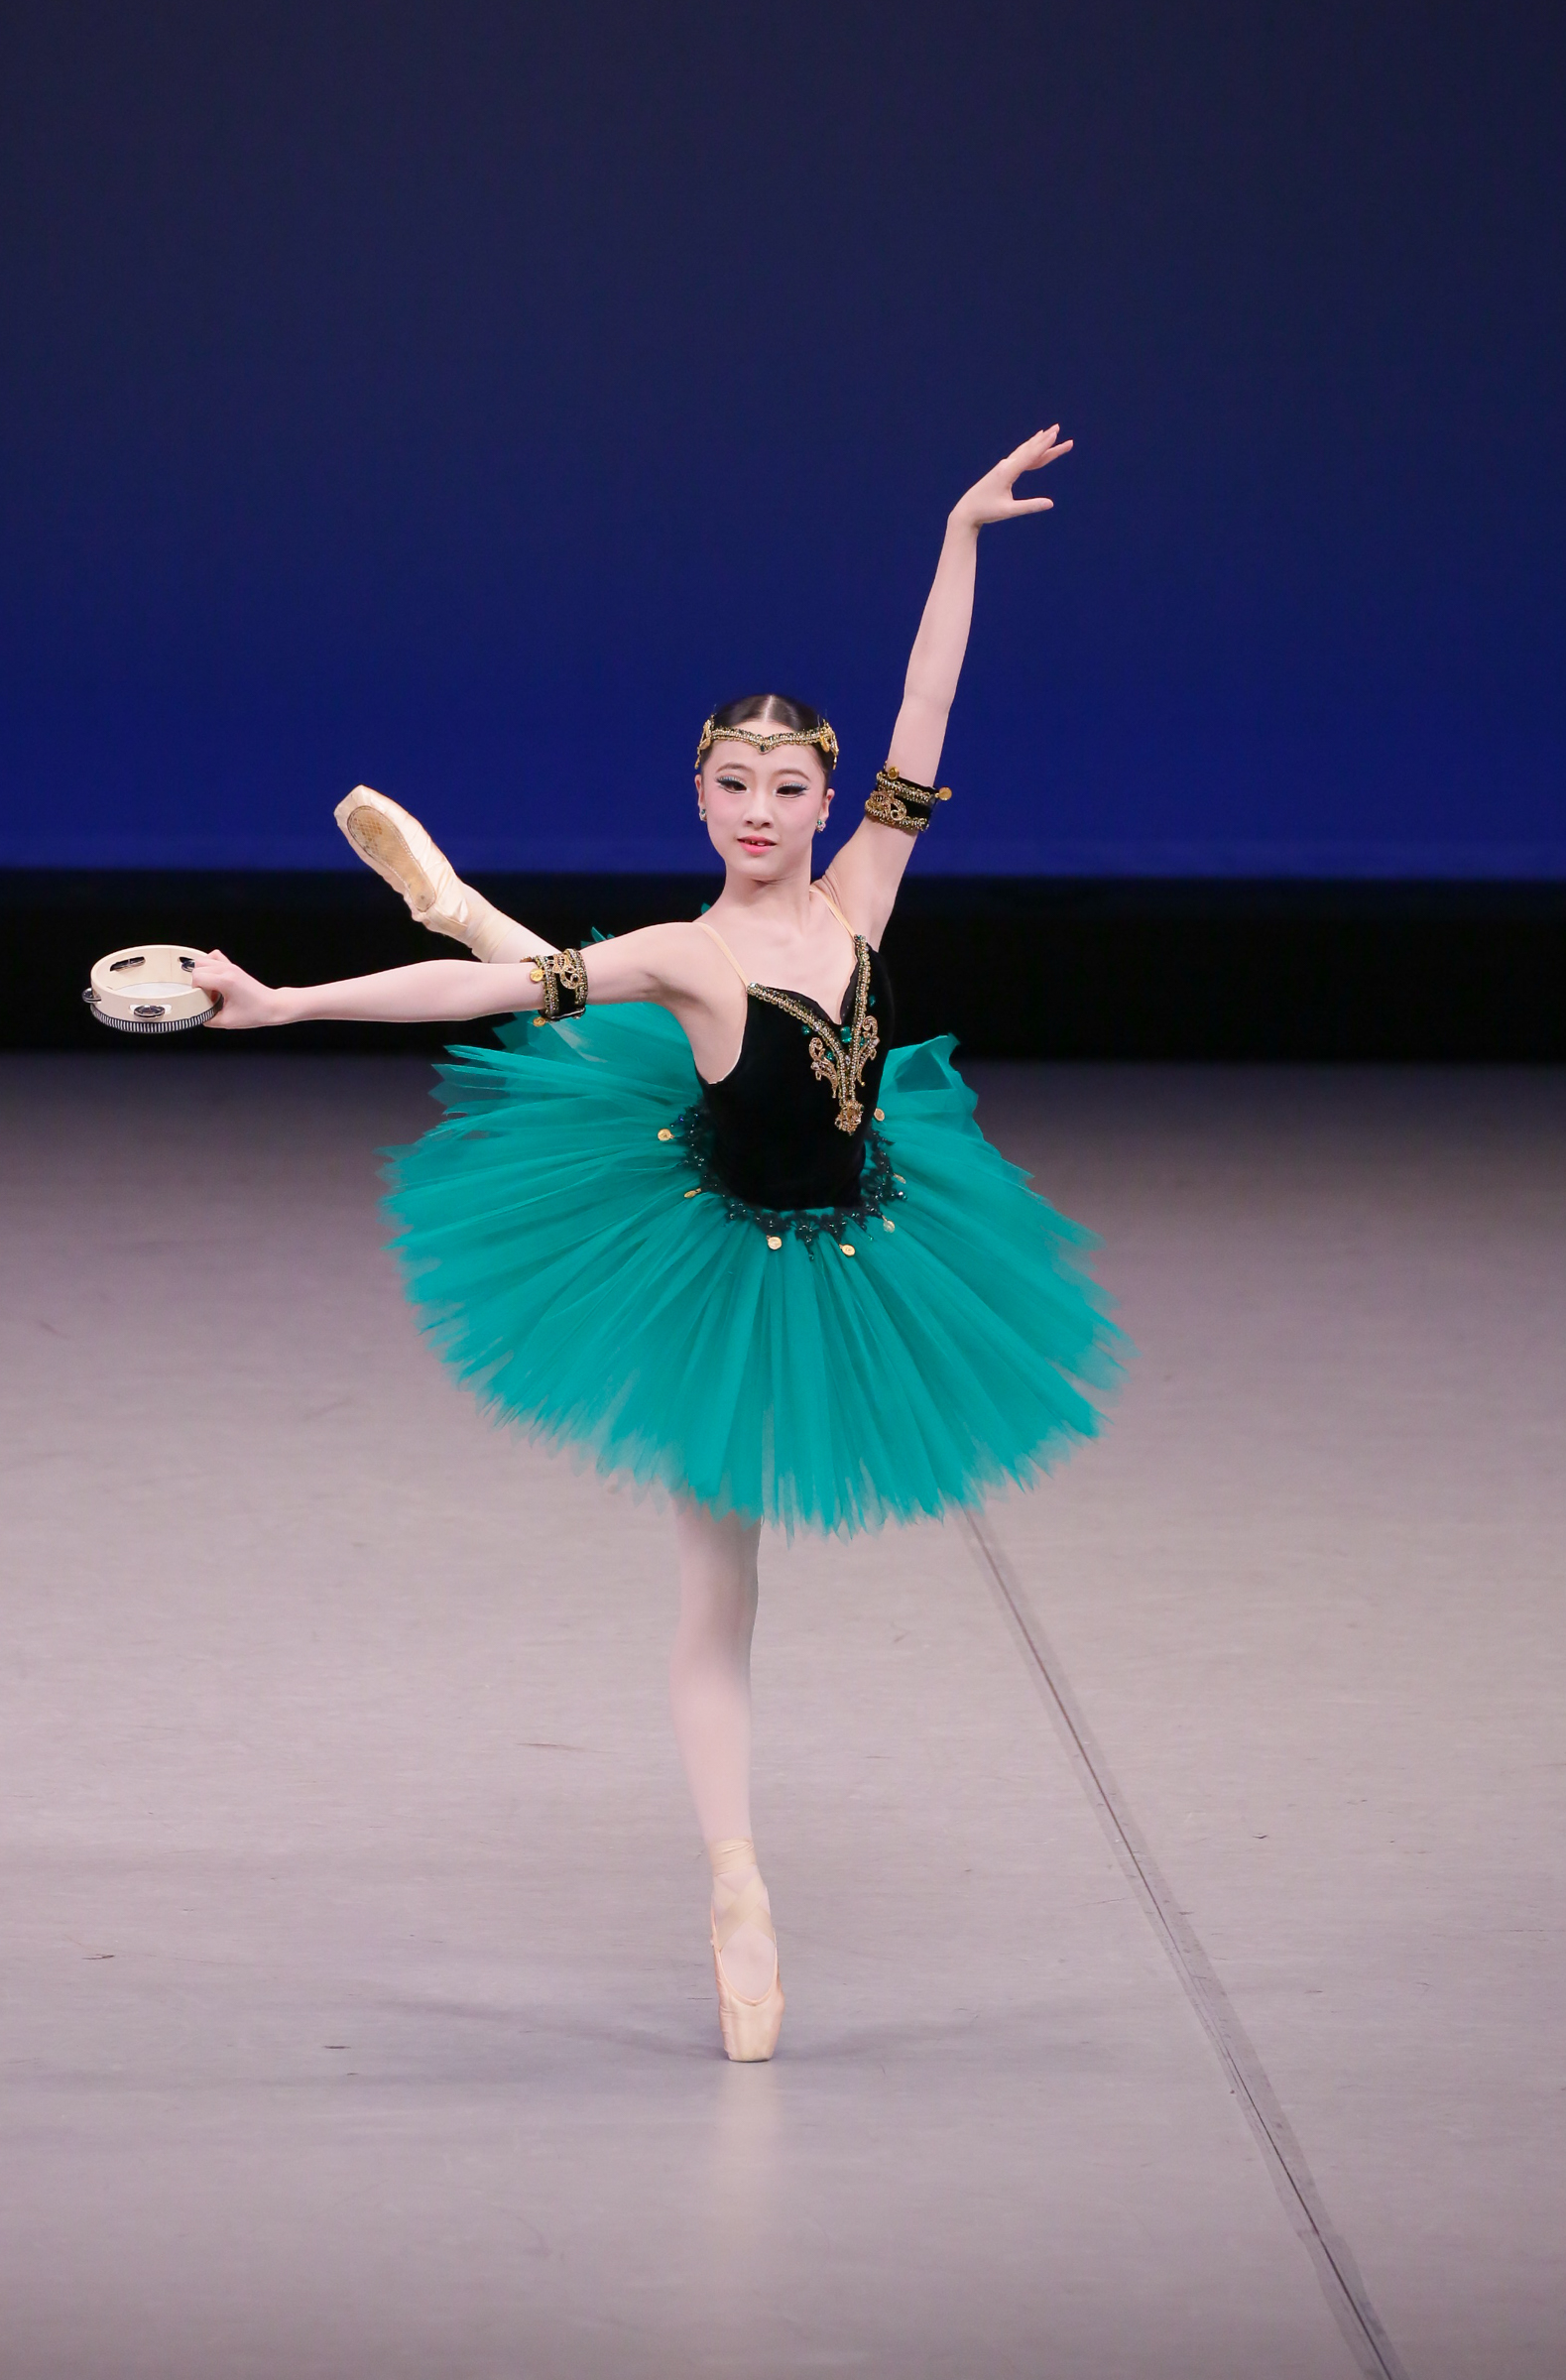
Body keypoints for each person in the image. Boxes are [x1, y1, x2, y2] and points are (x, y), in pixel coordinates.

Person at [193, 426, 1124, 2062]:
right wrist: (283, 1002)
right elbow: (488, 1001)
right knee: (718, 1588)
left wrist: (958, 535)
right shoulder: (689, 948)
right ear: (694, 799)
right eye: (732, 786)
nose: (760, 809)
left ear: (827, 800)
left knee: (586, 1021)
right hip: (719, 1249)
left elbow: (927, 704)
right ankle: (733, 1880)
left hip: (866, 1222)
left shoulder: (862, 898)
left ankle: (463, 892)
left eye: (788, 787)